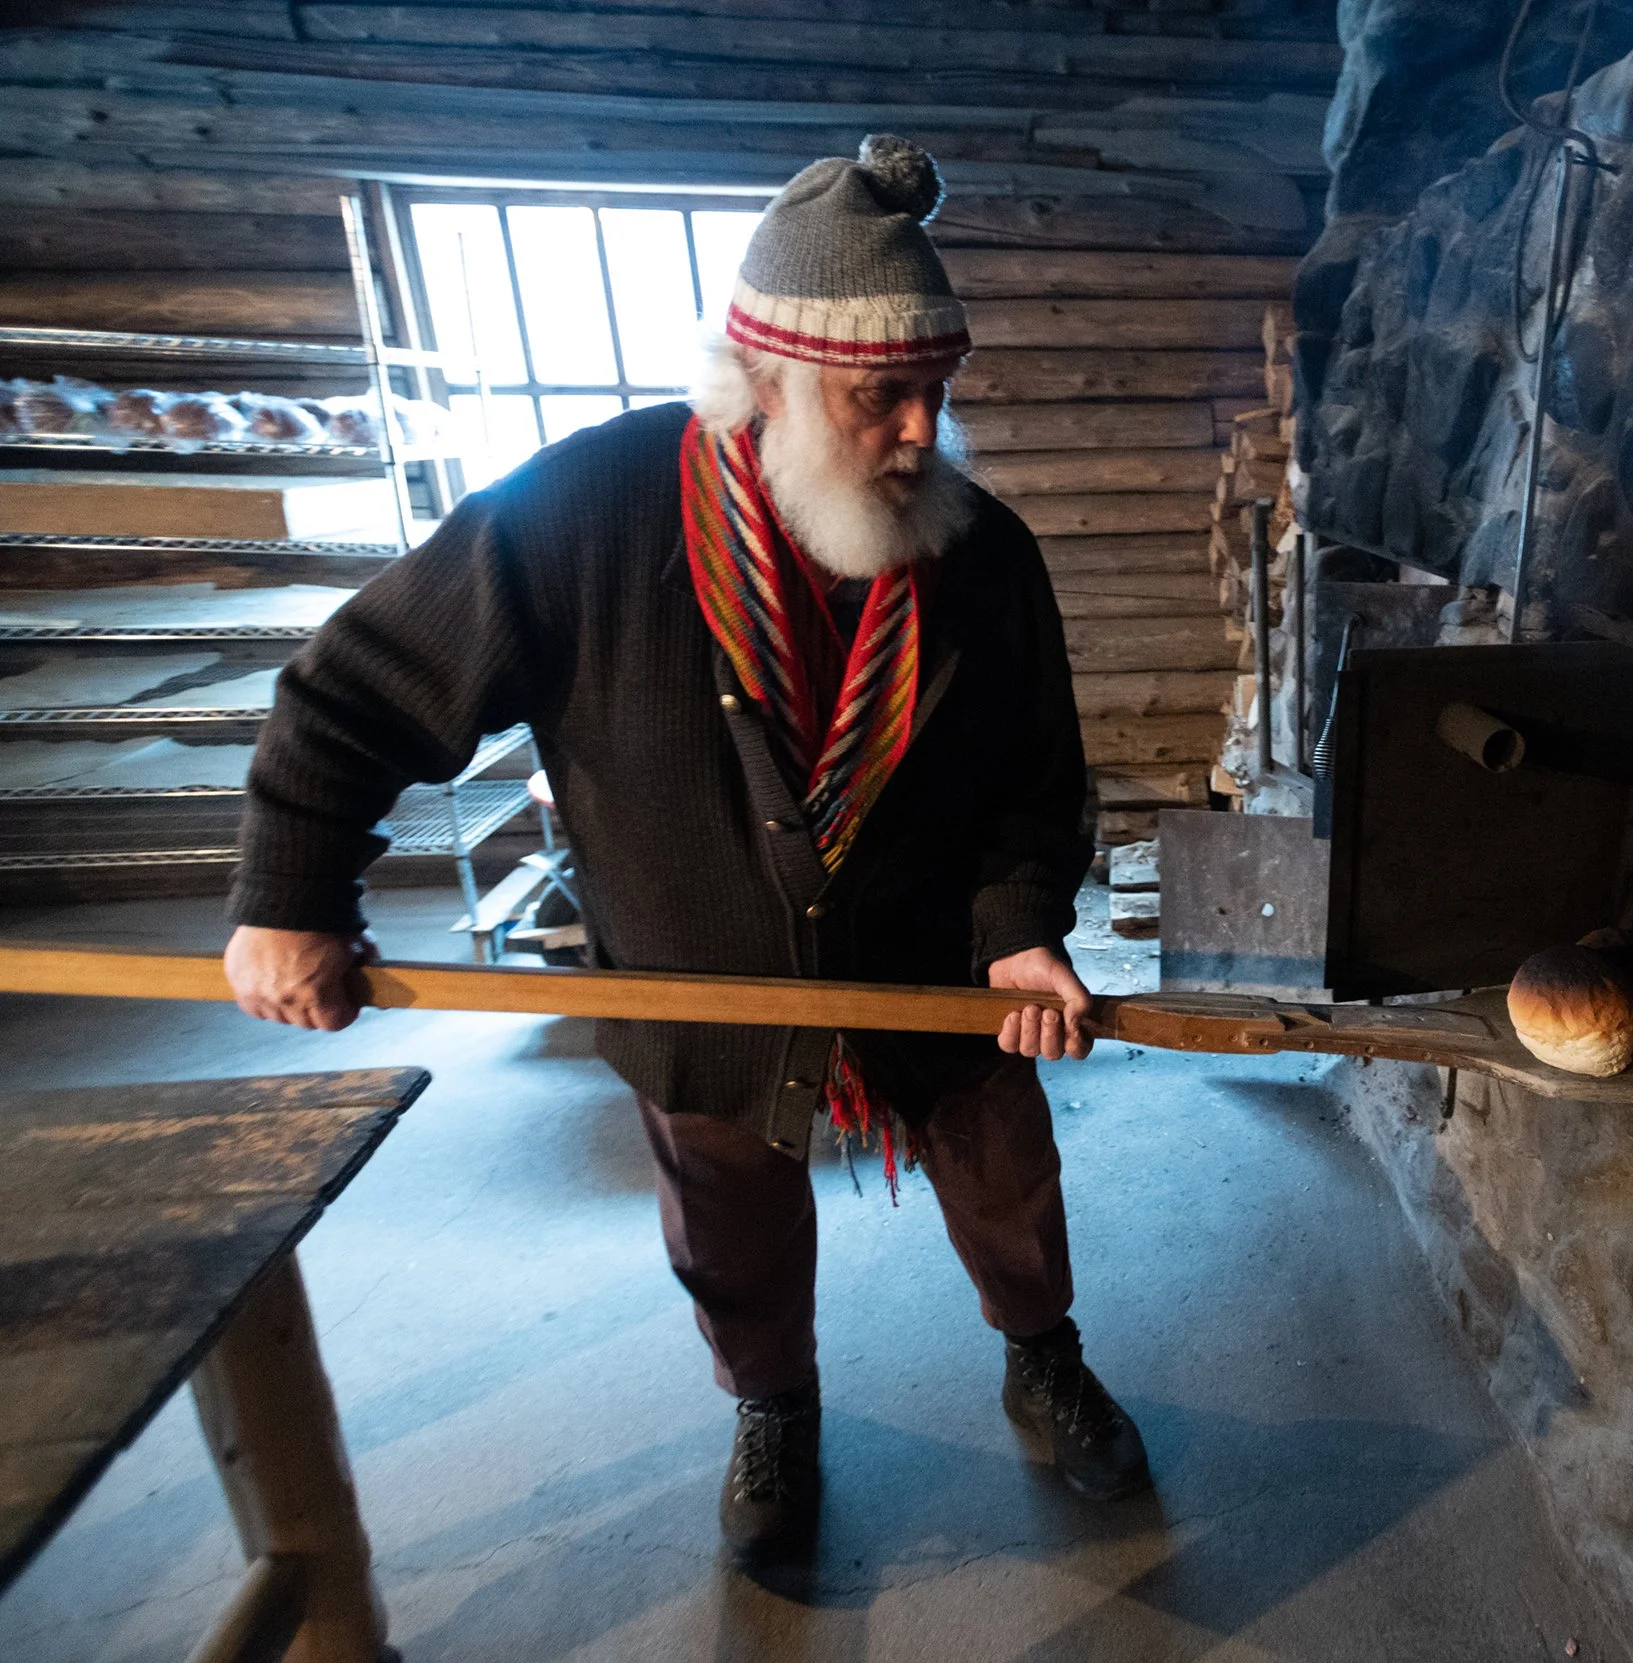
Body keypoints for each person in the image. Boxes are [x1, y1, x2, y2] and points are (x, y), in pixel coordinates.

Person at [218, 137, 1150, 1558]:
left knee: (1009, 1179)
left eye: (935, 394)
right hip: (699, 978)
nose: (918, 434)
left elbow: (1037, 776)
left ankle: (1044, 1357)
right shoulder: (585, 510)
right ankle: (773, 1408)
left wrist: (1022, 919)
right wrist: (292, 892)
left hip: (939, 969)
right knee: (732, 1233)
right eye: (877, 398)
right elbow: (355, 690)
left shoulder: (985, 551)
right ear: (762, 380)